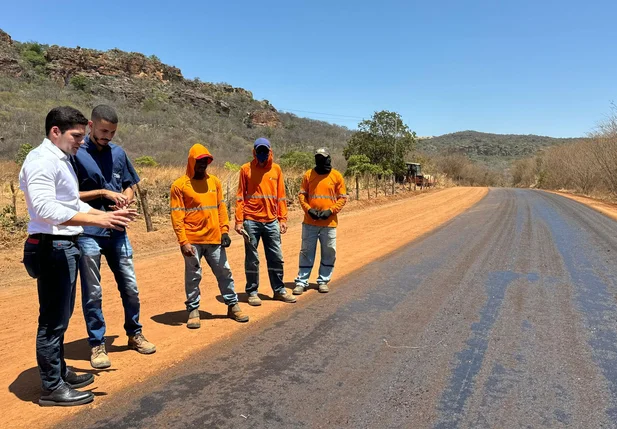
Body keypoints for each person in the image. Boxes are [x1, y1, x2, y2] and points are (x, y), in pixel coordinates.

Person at [19, 106, 137, 406]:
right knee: (52, 321)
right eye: (76, 136)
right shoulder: (42, 161)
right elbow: (45, 209)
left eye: (83, 136)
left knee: (62, 316)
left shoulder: (61, 160)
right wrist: (98, 220)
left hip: (64, 245)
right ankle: (52, 387)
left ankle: (59, 373)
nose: (81, 143)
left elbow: (72, 203)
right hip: (50, 245)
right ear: (55, 131)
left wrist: (107, 215)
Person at [73, 105, 155, 370]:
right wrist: (103, 193)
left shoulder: (119, 153)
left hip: (118, 230)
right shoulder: (76, 153)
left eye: (112, 132)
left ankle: (134, 333)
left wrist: (125, 198)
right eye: (103, 130)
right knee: (93, 291)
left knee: (130, 287)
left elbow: (129, 185)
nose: (107, 136)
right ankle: (97, 344)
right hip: (88, 232)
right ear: (90, 125)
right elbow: (69, 195)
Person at [170, 144, 249, 328]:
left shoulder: (215, 182)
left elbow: (221, 208)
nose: (203, 165)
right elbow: (177, 215)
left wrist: (224, 231)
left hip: (214, 238)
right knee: (193, 276)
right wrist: (183, 241)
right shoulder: (179, 186)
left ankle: (232, 305)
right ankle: (193, 310)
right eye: (199, 162)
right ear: (191, 162)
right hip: (192, 241)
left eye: (206, 162)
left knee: (224, 272)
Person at [235, 138, 296, 306]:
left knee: (276, 257)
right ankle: (252, 291)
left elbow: (281, 196)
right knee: (252, 259)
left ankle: (279, 290)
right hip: (251, 221)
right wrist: (239, 221)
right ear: (254, 152)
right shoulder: (245, 169)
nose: (262, 154)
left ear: (270, 151)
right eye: (259, 151)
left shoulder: (276, 169)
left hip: (271, 221)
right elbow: (240, 196)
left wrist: (283, 219)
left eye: (265, 151)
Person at [293, 148, 347, 295]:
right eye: (318, 157)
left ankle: (323, 280)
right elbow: (302, 195)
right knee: (306, 252)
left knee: (329, 252)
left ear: (328, 158)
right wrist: (308, 209)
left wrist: (331, 211)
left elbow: (342, 198)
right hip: (310, 222)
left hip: (329, 223)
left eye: (323, 158)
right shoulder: (308, 175)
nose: (320, 160)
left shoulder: (336, 176)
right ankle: (301, 282)